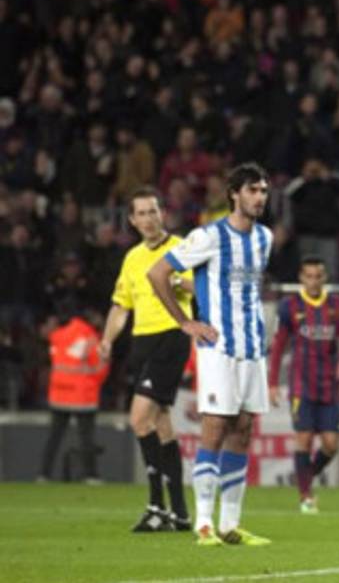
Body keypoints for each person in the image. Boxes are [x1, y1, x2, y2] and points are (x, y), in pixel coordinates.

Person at [147, 163, 273, 547]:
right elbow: (158, 273)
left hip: (253, 348)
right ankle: (203, 523)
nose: (260, 198)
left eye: (264, 191)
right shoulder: (209, 235)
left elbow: (226, 284)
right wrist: (186, 322)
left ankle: (230, 524)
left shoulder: (265, 237)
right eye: (252, 190)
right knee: (216, 427)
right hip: (218, 347)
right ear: (234, 193)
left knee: (243, 429)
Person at [98, 187, 194, 532]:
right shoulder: (133, 258)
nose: (149, 219)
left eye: (153, 211)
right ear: (132, 220)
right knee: (161, 423)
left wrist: (180, 282)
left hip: (171, 336)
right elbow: (121, 305)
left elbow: (199, 286)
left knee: (139, 418)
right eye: (142, 213)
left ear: (162, 214)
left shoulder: (181, 248)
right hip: (142, 341)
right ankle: (179, 512)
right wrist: (107, 339)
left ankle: (157, 506)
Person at [267, 256, 339, 514]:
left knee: (331, 444)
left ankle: (306, 476)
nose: (314, 281)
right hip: (301, 385)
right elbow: (278, 346)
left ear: (324, 278)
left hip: (329, 385)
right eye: (309, 276)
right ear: (301, 278)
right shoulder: (290, 306)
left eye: (318, 276)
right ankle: (306, 496)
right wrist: (272, 383)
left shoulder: (336, 304)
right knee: (303, 438)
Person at [38, 310, 108, 483]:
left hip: (59, 393)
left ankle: (44, 474)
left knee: (54, 436)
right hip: (83, 395)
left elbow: (54, 358)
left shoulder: (58, 335)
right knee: (86, 437)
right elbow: (100, 368)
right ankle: (90, 475)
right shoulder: (91, 337)